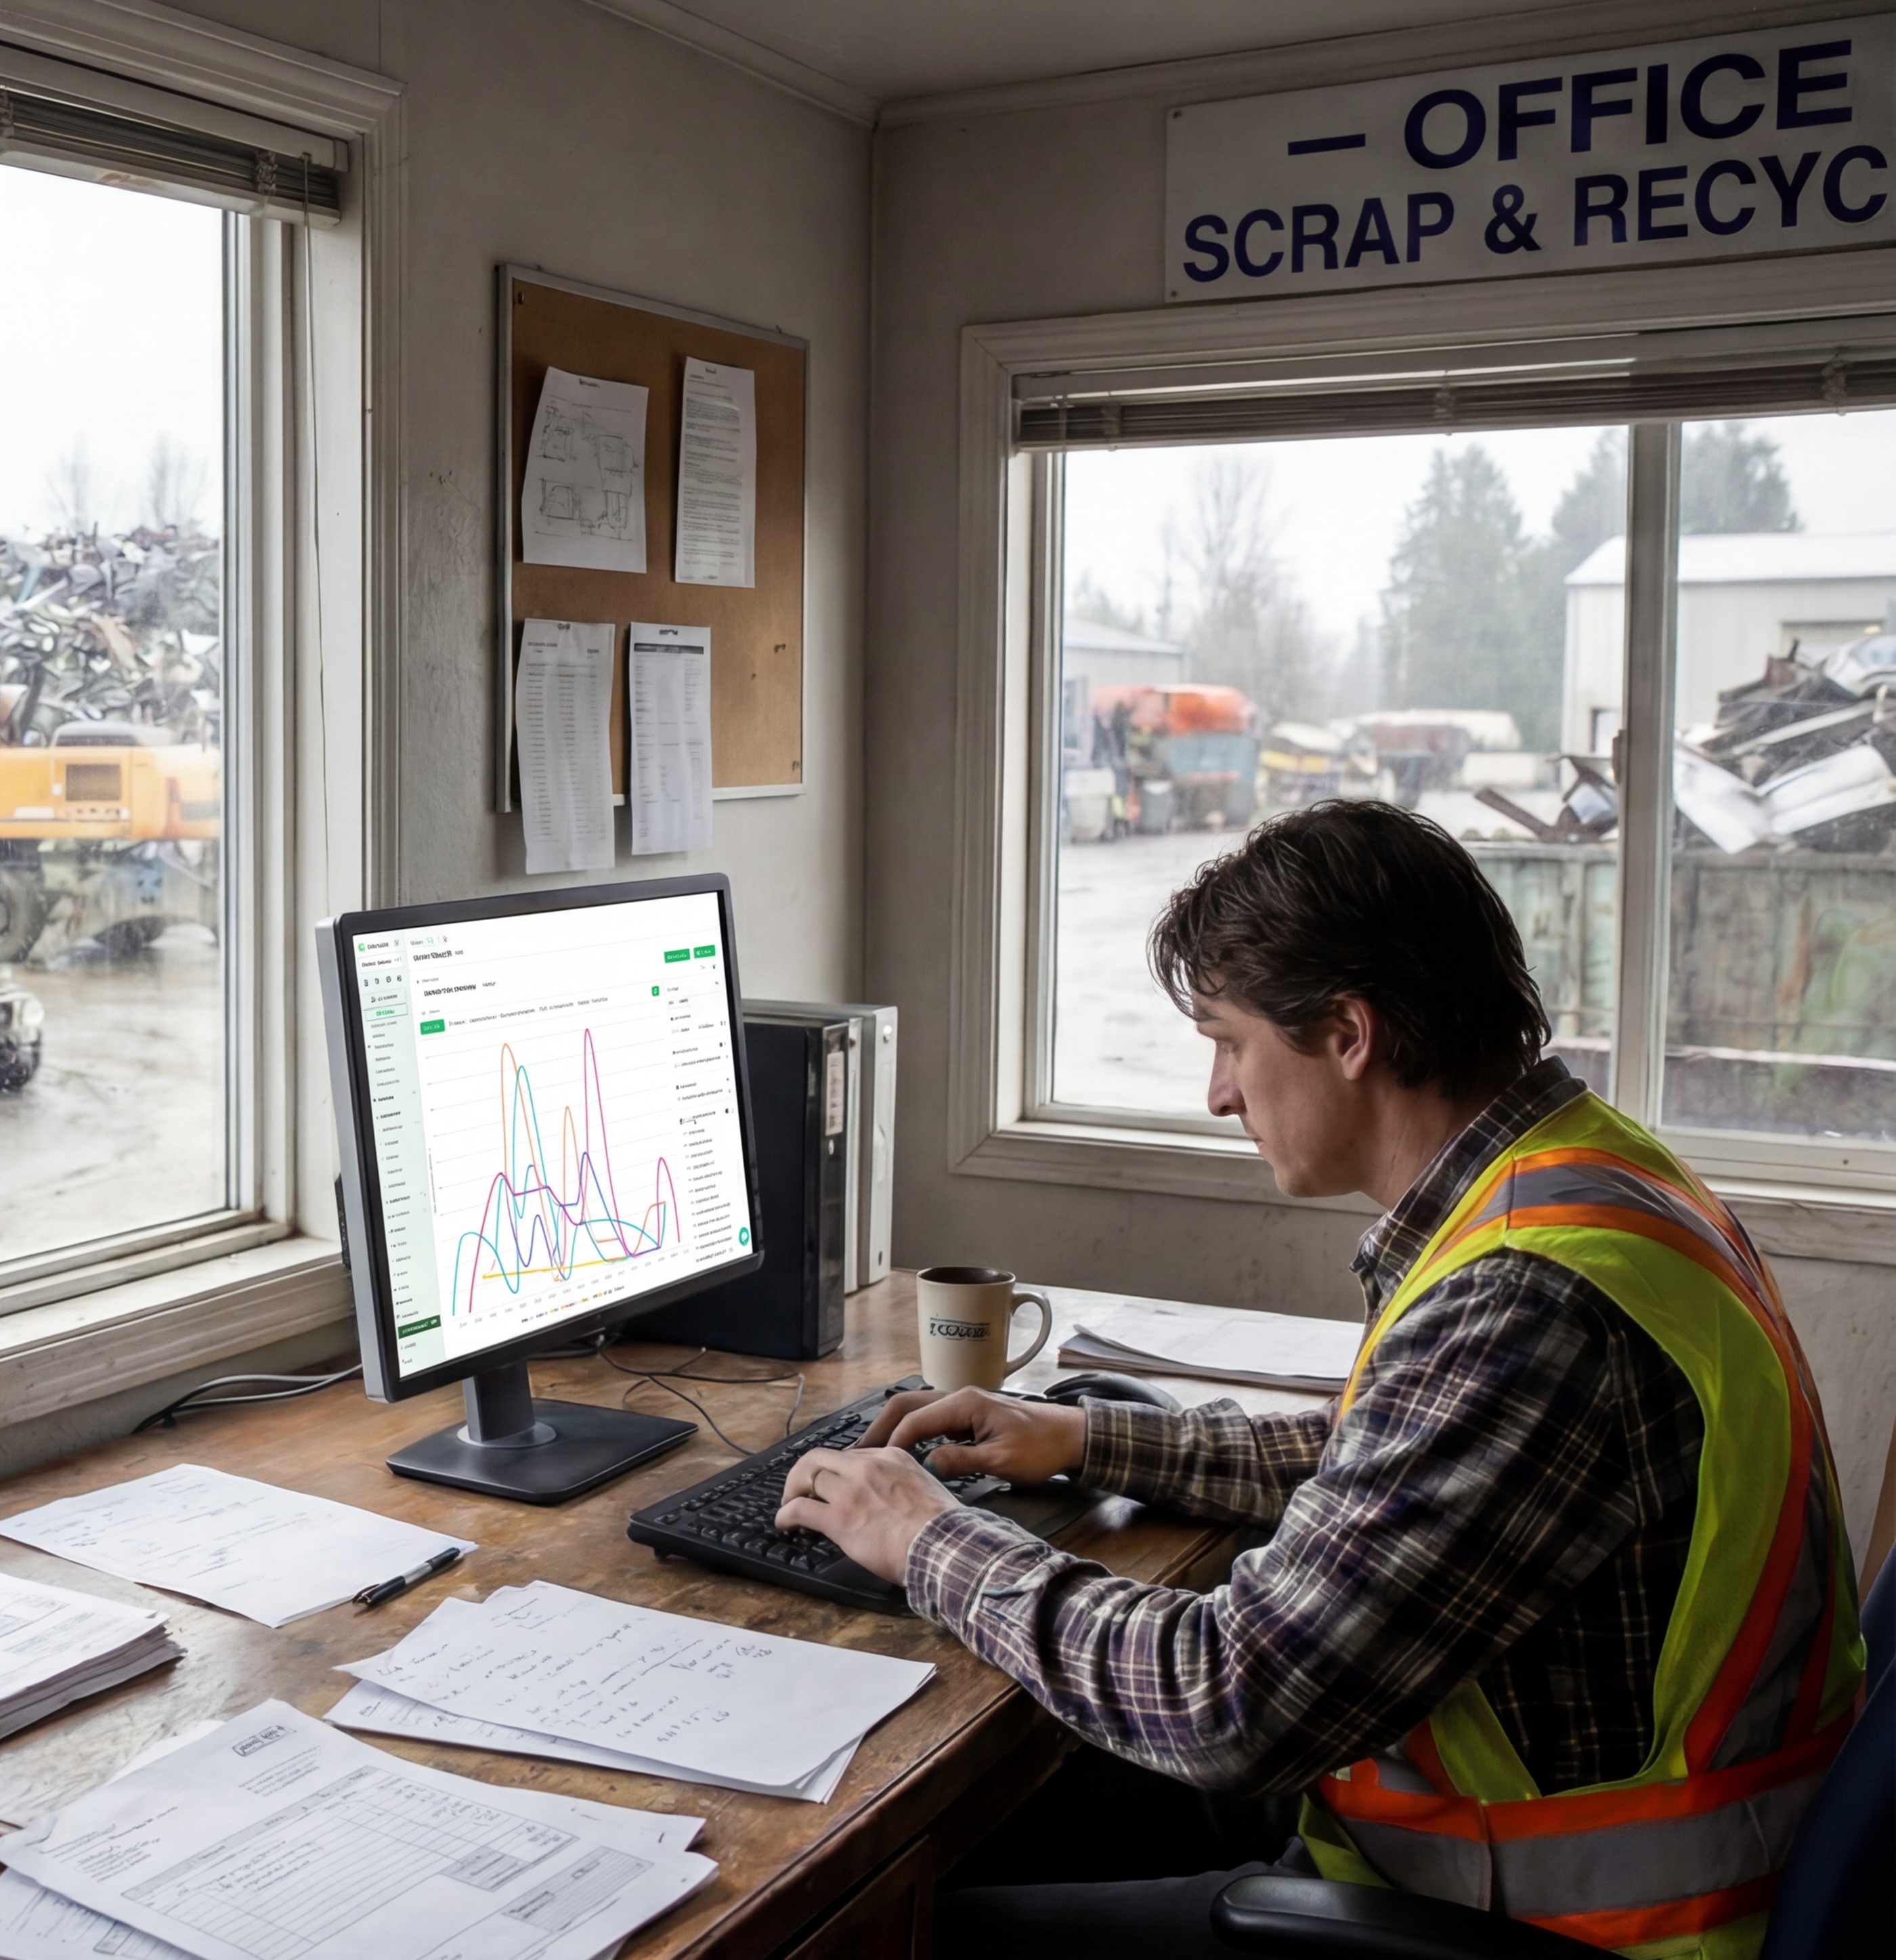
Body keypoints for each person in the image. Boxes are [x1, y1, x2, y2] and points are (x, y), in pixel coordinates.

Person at [774, 800, 1862, 1959]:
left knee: (891, 1933)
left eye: (1230, 1043)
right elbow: (1400, 1470)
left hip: (1573, 1923)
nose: (1218, 1094)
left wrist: (928, 1537)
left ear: (1349, 1033)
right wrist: (1084, 1439)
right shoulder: (1590, 1179)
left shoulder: (1526, 1302)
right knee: (1017, 1817)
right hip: (1488, 1840)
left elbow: (1225, 1701)